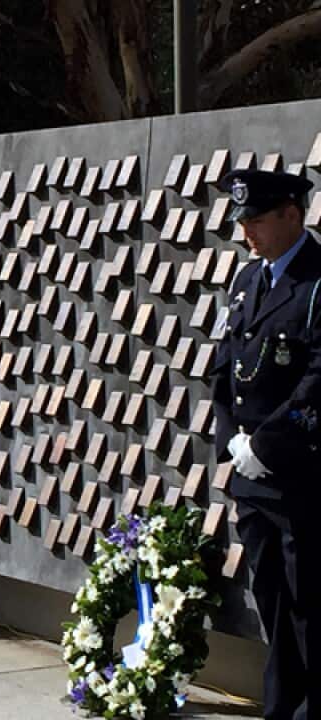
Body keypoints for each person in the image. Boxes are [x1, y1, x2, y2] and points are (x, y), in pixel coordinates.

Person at [211, 168, 321, 720]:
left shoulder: (319, 282)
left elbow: (319, 378)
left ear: (292, 216)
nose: (245, 231)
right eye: (242, 220)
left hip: (301, 476)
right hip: (252, 480)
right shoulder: (246, 281)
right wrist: (232, 442)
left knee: (309, 608)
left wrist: (266, 445)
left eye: (255, 220)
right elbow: (224, 371)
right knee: (273, 604)